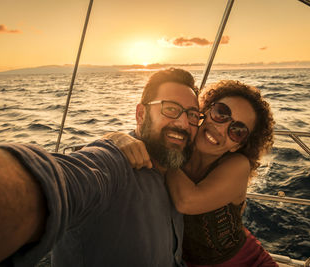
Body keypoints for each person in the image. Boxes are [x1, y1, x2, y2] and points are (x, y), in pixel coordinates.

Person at [0, 68, 201, 266]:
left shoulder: (174, 170)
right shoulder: (115, 163)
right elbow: (61, 181)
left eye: (192, 115)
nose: (183, 123)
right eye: (171, 109)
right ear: (140, 115)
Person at [108, 80, 277, 266]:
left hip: (246, 261)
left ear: (238, 145)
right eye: (220, 113)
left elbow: (187, 201)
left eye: (237, 131)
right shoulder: (181, 150)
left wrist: (167, 148)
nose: (221, 129)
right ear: (206, 111)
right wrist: (114, 137)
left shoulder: (238, 165)